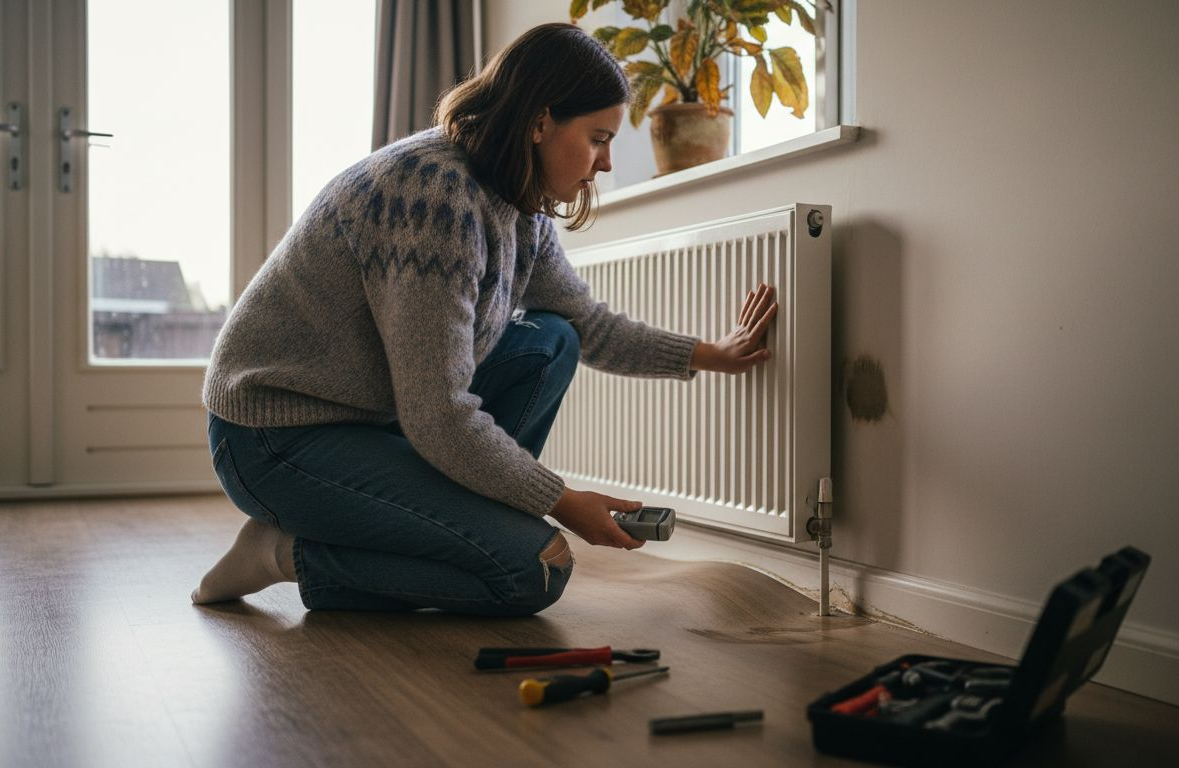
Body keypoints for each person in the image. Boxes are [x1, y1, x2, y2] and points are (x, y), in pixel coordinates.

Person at [193, 22, 777, 615]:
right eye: (598, 139)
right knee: (531, 570)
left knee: (552, 339)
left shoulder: (518, 202)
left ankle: (454, 526)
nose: (603, 163)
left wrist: (711, 354)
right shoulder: (434, 198)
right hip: (276, 438)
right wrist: (560, 500)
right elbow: (437, 411)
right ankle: (282, 554)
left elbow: (588, 323)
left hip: (373, 422)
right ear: (540, 122)